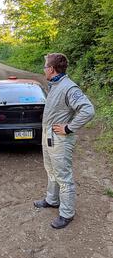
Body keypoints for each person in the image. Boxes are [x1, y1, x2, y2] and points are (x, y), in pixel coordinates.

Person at [34, 53, 95, 229]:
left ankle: (67, 213)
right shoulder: (55, 85)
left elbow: (88, 110)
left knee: (64, 177)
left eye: (45, 66)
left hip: (60, 140)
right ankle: (52, 200)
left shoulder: (69, 87)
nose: (44, 69)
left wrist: (69, 127)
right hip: (49, 138)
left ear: (51, 69)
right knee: (51, 170)